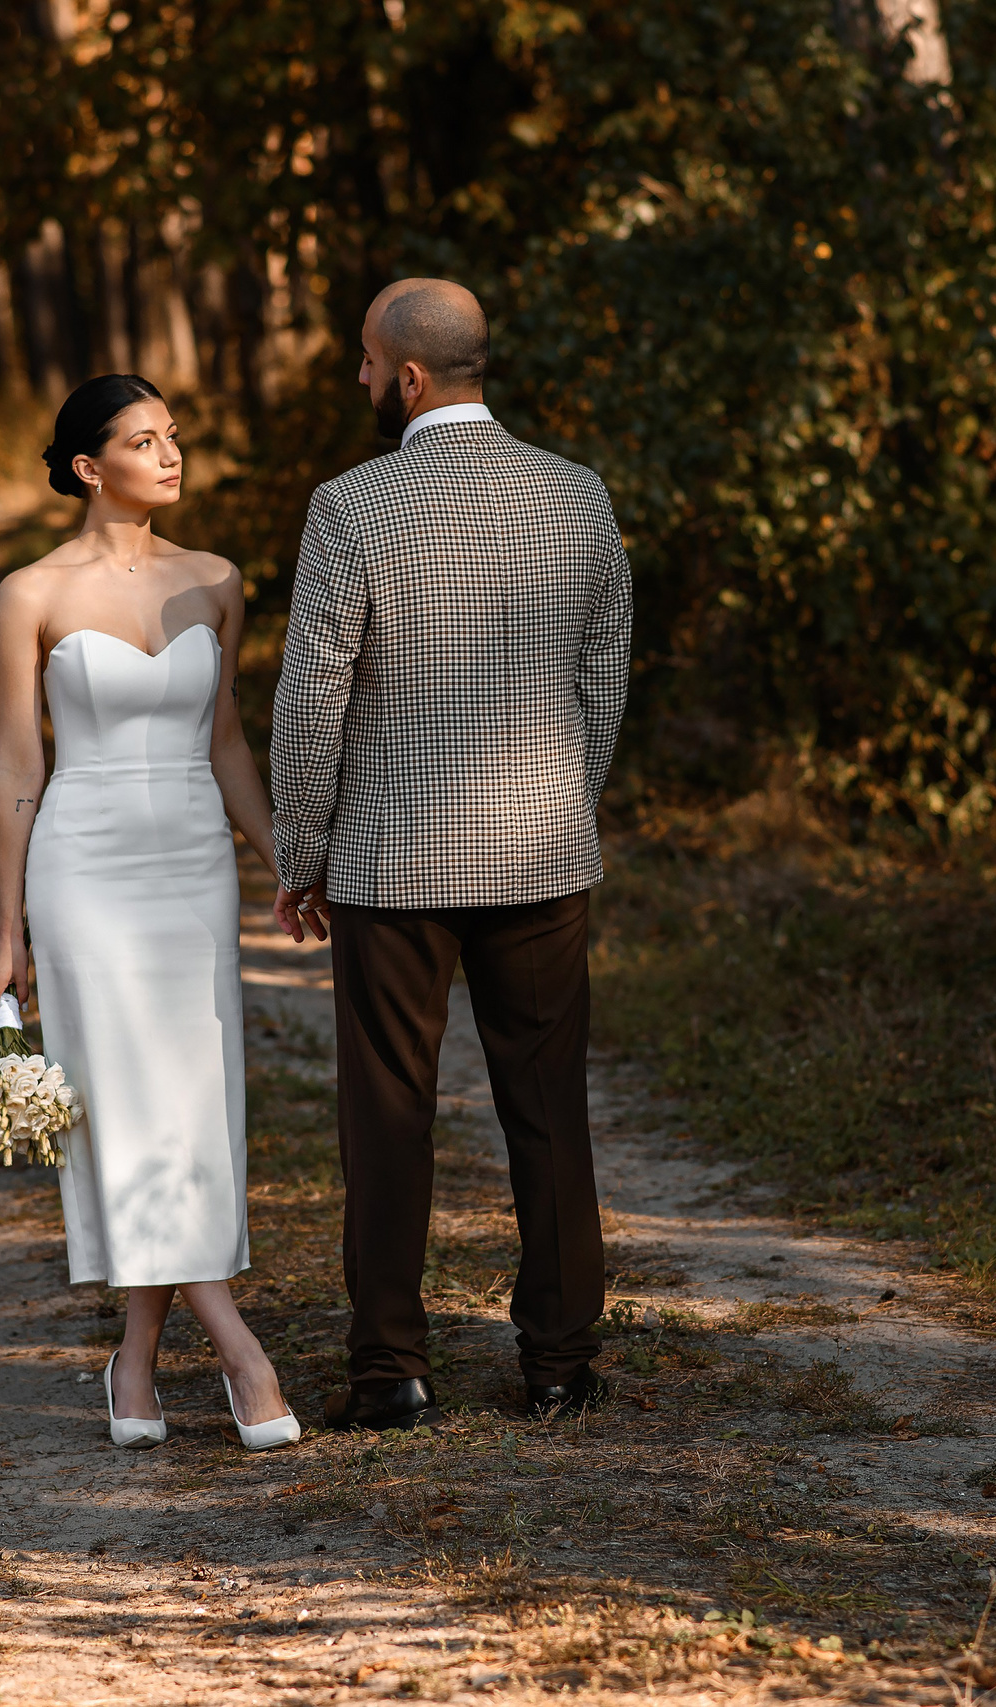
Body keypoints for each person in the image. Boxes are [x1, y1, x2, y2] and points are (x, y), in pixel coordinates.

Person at [268, 279, 635, 1431]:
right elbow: (604, 674)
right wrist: (567, 798)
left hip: (393, 859)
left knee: (387, 1111)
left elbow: (313, 692)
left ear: (412, 376)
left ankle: (388, 1370)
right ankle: (561, 1366)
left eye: (370, 363)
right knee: (547, 1107)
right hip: (541, 848)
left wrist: (300, 844)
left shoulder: (351, 508)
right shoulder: (577, 497)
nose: (362, 380)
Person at [0, 373, 300, 1453]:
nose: (170, 455)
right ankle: (241, 1352)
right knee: (122, 1104)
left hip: (192, 865)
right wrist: (6, 924)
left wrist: (282, 860)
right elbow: (18, 761)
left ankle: (138, 1361)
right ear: (85, 466)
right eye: (143, 440)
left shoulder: (216, 580)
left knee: (191, 1106)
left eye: (174, 437)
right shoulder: (30, 593)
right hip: (84, 865)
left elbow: (228, 745)